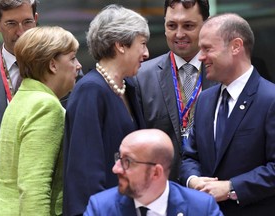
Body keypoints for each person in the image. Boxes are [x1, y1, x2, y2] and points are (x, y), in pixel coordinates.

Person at [179, 13, 275, 216]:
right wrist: (193, 180)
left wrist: (232, 187)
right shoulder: (205, 99)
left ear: (236, 46)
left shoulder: (270, 99)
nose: (201, 56)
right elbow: (190, 156)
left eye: (207, 48)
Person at [63, 4, 149, 215]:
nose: (146, 53)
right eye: (142, 44)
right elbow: (84, 174)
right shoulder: (90, 90)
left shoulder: (129, 86)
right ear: (121, 45)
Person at [0, 26, 82, 215]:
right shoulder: (46, 107)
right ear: (52, 65)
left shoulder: (23, 96)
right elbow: (34, 188)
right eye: (72, 58)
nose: (78, 65)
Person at [133, 0, 216, 182]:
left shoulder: (223, 73)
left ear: (207, 25)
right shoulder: (141, 77)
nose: (179, 34)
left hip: (214, 190)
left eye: (188, 26)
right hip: (161, 191)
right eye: (172, 25)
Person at [84, 129, 223, 216]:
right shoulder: (100, 208)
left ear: (156, 172)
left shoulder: (202, 208)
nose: (116, 169)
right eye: (119, 158)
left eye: (127, 162)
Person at [0, 0, 38, 190]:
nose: (21, 32)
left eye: (27, 22)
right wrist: (21, 153)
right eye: (11, 24)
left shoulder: (63, 69)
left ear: (36, 19)